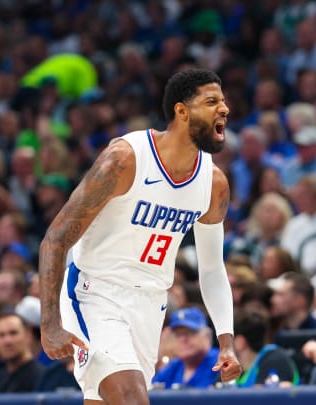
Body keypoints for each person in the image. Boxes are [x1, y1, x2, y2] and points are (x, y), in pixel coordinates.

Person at [39, 69, 241, 405]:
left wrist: (227, 340)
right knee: (131, 399)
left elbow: (212, 270)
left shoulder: (214, 184)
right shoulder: (125, 160)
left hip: (150, 304)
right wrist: (50, 323)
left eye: (223, 101)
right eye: (212, 102)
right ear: (182, 111)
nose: (224, 109)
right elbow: (56, 238)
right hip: (95, 293)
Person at [152, 307, 220, 389]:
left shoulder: (220, 362)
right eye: (177, 335)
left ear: (207, 336)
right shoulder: (175, 366)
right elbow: (150, 391)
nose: (182, 339)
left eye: (190, 333)